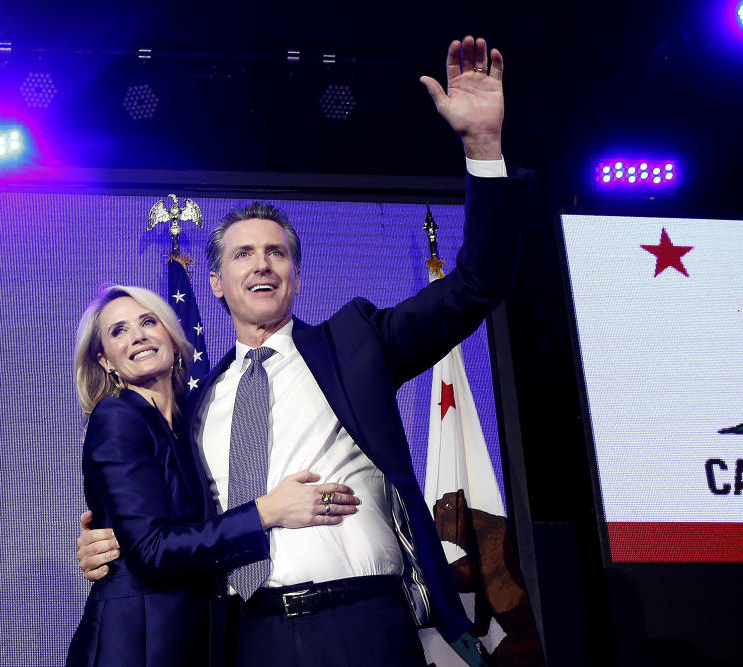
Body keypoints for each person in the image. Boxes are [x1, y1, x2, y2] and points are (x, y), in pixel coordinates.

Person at [77, 35, 526, 666]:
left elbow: (479, 282)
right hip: (242, 637)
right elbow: (166, 529)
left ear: (295, 272)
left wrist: (483, 149)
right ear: (216, 283)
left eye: (277, 252)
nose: (262, 264)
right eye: (242, 253)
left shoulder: (357, 343)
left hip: (363, 622)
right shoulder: (198, 404)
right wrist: (109, 544)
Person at [67, 285, 359, 667]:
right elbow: (151, 551)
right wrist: (267, 512)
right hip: (135, 644)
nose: (137, 335)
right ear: (105, 361)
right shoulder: (118, 417)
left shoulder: (194, 421)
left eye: (148, 321)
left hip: (196, 639)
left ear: (172, 337)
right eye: (118, 331)